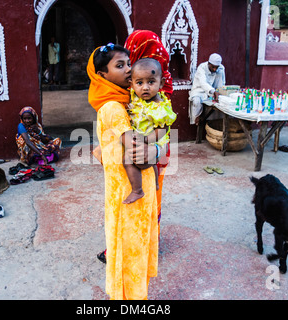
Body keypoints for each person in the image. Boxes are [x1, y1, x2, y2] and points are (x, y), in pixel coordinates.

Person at [87, 43, 165, 300]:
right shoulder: (113, 107)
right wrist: (155, 149)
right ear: (102, 75)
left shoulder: (127, 100)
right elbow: (136, 149)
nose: (128, 69)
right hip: (129, 194)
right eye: (119, 66)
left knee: (132, 249)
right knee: (130, 252)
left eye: (127, 63)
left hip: (126, 189)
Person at [122, 58, 176, 204]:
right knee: (150, 163)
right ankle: (156, 183)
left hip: (153, 140)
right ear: (131, 84)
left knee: (128, 160)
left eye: (151, 82)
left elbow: (162, 130)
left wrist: (146, 140)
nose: (145, 87)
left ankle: (137, 190)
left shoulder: (159, 107)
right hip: (142, 136)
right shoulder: (136, 97)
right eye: (140, 83)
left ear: (162, 83)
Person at [189, 53, 226, 124]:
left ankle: (214, 124)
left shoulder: (221, 68)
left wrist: (219, 92)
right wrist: (213, 91)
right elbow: (203, 83)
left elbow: (222, 83)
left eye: (216, 67)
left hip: (214, 94)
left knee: (221, 104)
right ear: (209, 63)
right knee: (196, 101)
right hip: (199, 91)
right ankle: (197, 120)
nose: (215, 69)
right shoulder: (202, 67)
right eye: (213, 67)